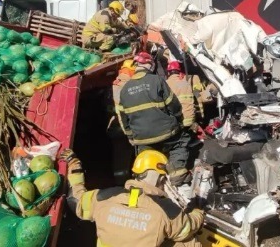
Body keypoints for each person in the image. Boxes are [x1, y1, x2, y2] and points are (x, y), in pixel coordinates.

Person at [60, 148, 205, 246]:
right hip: (178, 221)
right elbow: (187, 228)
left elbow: (76, 200)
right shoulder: (167, 211)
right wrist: (198, 212)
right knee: (188, 242)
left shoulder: (105, 196)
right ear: (160, 179)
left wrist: (74, 165)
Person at [118, 52, 190, 184]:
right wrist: (178, 120)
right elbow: (173, 105)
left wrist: (131, 137)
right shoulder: (157, 80)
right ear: (150, 65)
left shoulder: (124, 90)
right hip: (166, 133)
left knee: (146, 162)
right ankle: (177, 174)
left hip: (142, 139)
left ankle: (146, 185)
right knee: (180, 143)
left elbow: (124, 119)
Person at [108, 59, 136, 184]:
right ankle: (125, 183)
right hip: (125, 128)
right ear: (131, 72)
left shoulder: (113, 84)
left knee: (120, 157)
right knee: (127, 156)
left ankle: (121, 182)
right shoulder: (129, 85)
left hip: (115, 127)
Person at [165, 61, 205, 131]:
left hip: (177, 122)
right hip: (191, 119)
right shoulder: (188, 80)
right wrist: (201, 115)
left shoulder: (165, 83)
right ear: (179, 70)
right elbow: (198, 97)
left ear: (168, 72)